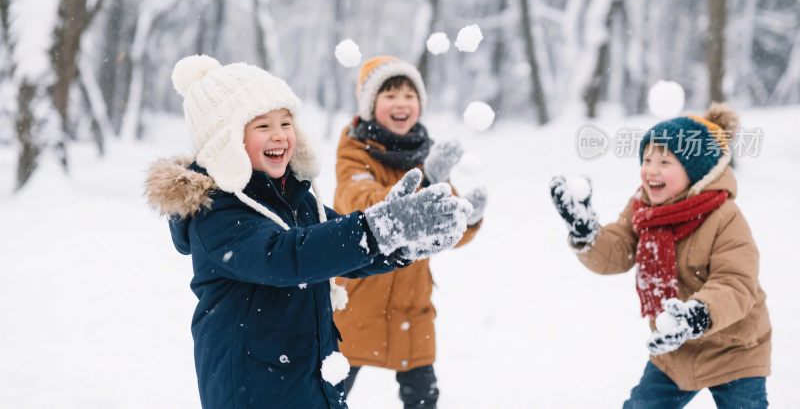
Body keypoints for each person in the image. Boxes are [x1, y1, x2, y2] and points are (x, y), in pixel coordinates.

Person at [145, 55, 472, 408]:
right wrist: (377, 228)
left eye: (286, 122)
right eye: (262, 126)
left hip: (309, 380)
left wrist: (402, 244)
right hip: (253, 390)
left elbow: (339, 250)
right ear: (225, 141)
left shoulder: (293, 196)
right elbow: (286, 256)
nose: (280, 135)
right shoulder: (215, 212)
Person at [550, 103, 770, 408]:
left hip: (733, 347)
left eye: (665, 162)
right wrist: (587, 233)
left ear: (694, 172)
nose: (650, 169)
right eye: (647, 159)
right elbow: (618, 251)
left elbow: (736, 283)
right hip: (675, 349)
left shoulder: (725, 217)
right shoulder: (643, 208)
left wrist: (699, 313)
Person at [333, 56, 487, 408]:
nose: (401, 102)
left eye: (409, 94)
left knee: (422, 397)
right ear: (371, 105)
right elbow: (363, 203)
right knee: (330, 392)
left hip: (411, 305)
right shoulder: (354, 151)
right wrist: (429, 181)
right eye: (389, 94)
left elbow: (443, 230)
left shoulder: (426, 154)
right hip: (358, 299)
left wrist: (468, 218)